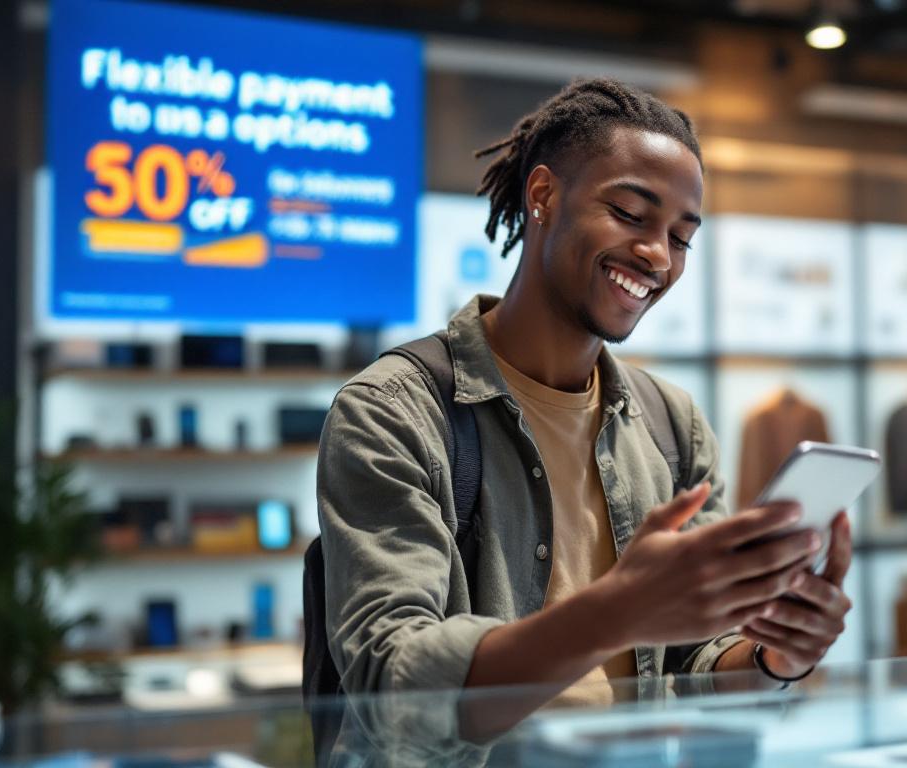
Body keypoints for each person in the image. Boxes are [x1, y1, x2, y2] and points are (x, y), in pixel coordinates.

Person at [316, 78, 852, 702]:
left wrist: (775, 655)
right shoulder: (392, 413)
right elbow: (393, 683)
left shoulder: (671, 424)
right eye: (629, 214)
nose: (657, 255)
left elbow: (699, 657)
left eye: (681, 237)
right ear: (543, 195)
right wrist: (614, 613)